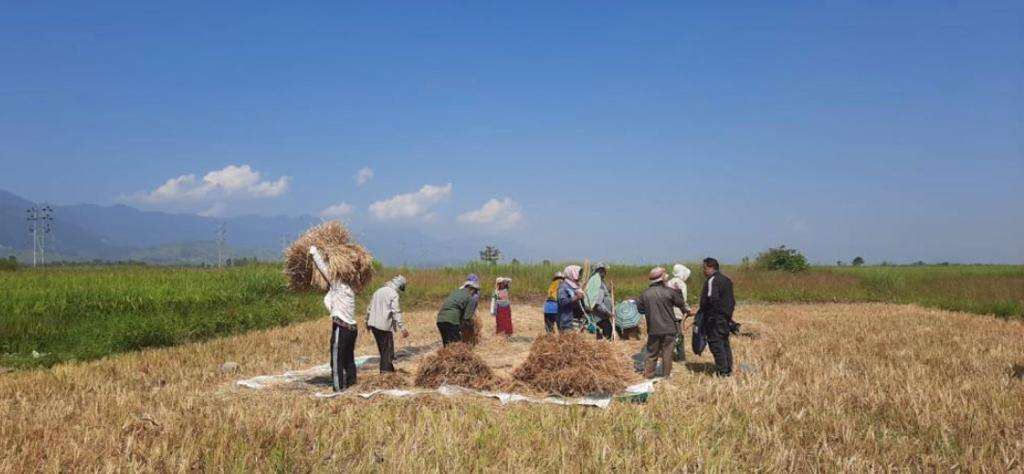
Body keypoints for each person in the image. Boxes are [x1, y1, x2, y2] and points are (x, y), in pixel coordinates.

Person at [308, 245, 359, 392]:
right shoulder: (351, 288)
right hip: (352, 329)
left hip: (341, 328)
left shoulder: (337, 284)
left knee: (336, 359)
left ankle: (338, 388)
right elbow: (329, 299)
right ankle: (352, 383)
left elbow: (323, 269)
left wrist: (314, 252)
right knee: (349, 358)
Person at [636, 267, 688, 379]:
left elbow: (640, 309)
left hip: (653, 328)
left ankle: (649, 376)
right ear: (662, 279)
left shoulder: (645, 294)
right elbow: (680, 303)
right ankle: (666, 377)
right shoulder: (670, 292)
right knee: (667, 354)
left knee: (651, 354)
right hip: (669, 328)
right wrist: (678, 291)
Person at [699, 257, 736, 376]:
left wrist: (708, 315)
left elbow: (712, 299)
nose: (703, 271)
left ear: (710, 268)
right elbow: (731, 300)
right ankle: (728, 368)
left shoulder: (712, 280)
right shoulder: (726, 280)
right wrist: (728, 316)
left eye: (704, 268)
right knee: (724, 342)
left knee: (716, 343)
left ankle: (722, 371)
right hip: (725, 317)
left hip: (714, 318)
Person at [365, 275, 409, 373]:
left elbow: (369, 308)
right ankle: (385, 374)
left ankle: (389, 370)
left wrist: (366, 321)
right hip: (383, 326)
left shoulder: (378, 291)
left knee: (383, 349)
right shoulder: (393, 294)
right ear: (399, 285)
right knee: (387, 351)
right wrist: (402, 328)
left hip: (373, 325)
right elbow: (396, 312)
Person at [436, 280, 480, 346]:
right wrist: (470, 331)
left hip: (440, 320)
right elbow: (467, 317)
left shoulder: (455, 292)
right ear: (472, 289)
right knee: (457, 346)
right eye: (476, 291)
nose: (475, 293)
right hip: (452, 321)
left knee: (447, 345)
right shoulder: (470, 298)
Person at [666, 263, 694, 360]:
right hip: (677, 313)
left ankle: (669, 354)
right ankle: (680, 357)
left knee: (669, 334)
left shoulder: (668, 282)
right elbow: (682, 300)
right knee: (679, 335)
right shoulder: (682, 284)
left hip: (667, 312)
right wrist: (688, 310)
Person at [585, 263, 615, 340]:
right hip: (600, 316)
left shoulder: (598, 281)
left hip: (600, 315)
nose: (605, 272)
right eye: (604, 271)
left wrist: (609, 289)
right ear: (601, 271)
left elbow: (602, 294)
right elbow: (598, 302)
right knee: (607, 331)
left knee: (601, 334)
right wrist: (609, 313)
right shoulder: (597, 282)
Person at [556, 265, 586, 333]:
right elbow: (562, 301)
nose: (580, 276)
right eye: (578, 273)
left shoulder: (575, 286)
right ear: (572, 274)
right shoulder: (563, 286)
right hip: (567, 322)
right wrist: (576, 297)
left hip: (577, 322)